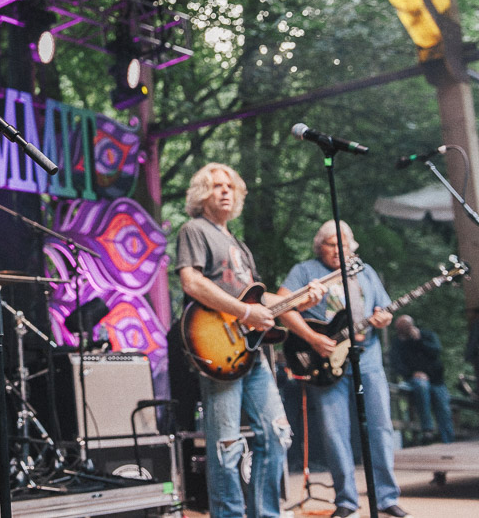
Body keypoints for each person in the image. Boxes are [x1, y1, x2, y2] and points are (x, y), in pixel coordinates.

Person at [175, 162, 324, 518]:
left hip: (253, 353)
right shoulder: (194, 230)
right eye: (215, 186)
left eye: (230, 186)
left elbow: (258, 300)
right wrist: (244, 314)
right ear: (201, 194)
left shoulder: (238, 245)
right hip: (218, 349)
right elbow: (192, 282)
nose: (224, 191)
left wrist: (301, 299)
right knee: (226, 444)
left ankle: (266, 513)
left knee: (277, 434)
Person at [278, 221, 410, 518]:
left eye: (343, 243)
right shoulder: (305, 271)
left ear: (353, 246)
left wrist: (383, 319)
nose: (338, 249)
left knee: (380, 429)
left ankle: (386, 497)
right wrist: (312, 338)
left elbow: (384, 310)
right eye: (330, 244)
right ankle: (346, 500)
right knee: (334, 431)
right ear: (319, 247)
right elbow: (282, 306)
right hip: (324, 363)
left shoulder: (366, 271)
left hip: (369, 360)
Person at [391, 314, 455, 444]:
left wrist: (419, 340)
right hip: (415, 379)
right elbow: (396, 364)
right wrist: (412, 374)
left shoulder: (427, 336)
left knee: (443, 406)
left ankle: (448, 439)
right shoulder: (398, 343)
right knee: (421, 387)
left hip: (436, 379)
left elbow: (436, 352)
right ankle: (427, 430)